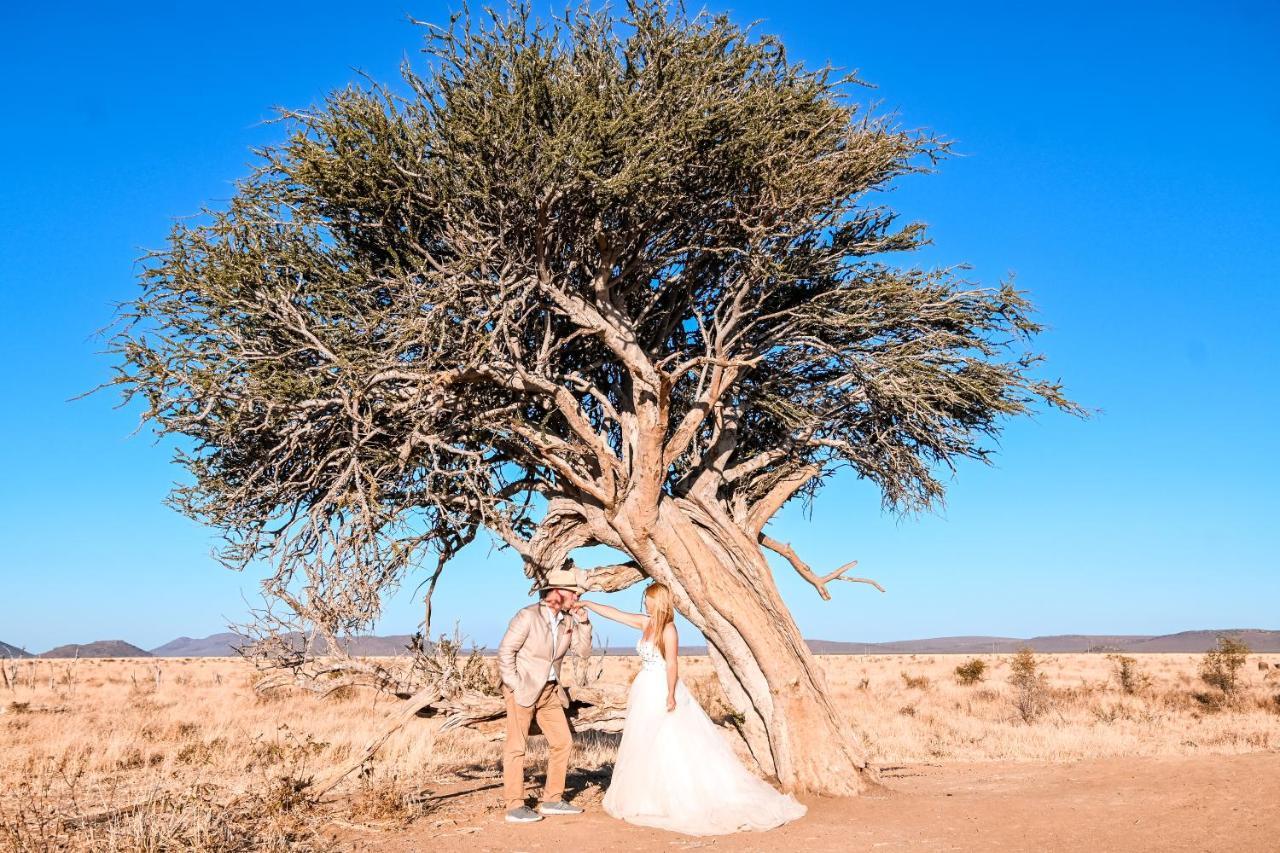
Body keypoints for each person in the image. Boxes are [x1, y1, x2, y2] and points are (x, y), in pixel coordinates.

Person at [570, 581, 807, 836]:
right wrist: (588, 604)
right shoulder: (645, 622)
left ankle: (675, 796)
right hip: (644, 688)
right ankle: (648, 797)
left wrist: (670, 694)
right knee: (644, 742)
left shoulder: (669, 630)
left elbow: (672, 664)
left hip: (661, 686)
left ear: (658, 600)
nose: (645, 602)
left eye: (649, 599)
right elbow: (615, 614)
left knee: (668, 741)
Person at [497, 563, 593, 823]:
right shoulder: (527, 616)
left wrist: (584, 624)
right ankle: (515, 805)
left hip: (550, 691)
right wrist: (515, 685)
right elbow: (506, 652)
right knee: (517, 746)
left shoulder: (568, 621)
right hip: (523, 688)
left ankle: (552, 799)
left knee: (563, 742)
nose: (578, 598)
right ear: (559, 592)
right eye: (574, 593)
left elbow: (582, 653)